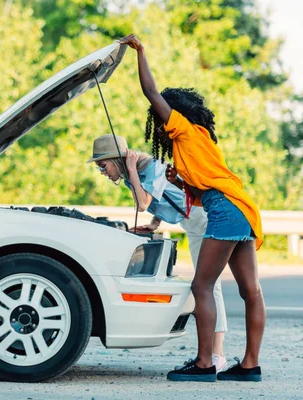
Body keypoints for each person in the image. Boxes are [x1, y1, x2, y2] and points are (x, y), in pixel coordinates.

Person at [118, 33, 265, 382]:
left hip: (227, 209)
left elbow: (151, 93)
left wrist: (141, 52)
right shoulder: (199, 140)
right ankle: (249, 366)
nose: (160, 123)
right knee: (251, 291)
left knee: (201, 286)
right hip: (241, 207)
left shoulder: (183, 130)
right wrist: (169, 199)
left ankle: (204, 363)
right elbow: (195, 194)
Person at [87, 135, 228, 373]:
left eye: (103, 165)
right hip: (192, 224)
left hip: (205, 220)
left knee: (210, 287)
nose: (102, 171)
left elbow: (143, 202)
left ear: (116, 159)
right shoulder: (130, 174)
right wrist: (155, 222)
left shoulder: (150, 167)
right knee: (206, 286)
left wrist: (131, 170)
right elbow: (165, 197)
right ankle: (212, 355)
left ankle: (218, 355)